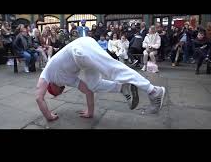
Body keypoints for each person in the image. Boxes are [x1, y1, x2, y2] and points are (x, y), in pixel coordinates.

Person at [36, 37, 166, 121]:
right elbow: (88, 90)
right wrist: (90, 112)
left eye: (57, 91)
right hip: (82, 58)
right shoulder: (66, 80)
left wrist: (49, 116)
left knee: (114, 69)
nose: (62, 90)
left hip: (79, 49)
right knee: (93, 84)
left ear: (51, 87)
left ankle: (154, 91)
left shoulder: (47, 73)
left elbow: (39, 98)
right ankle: (122, 87)